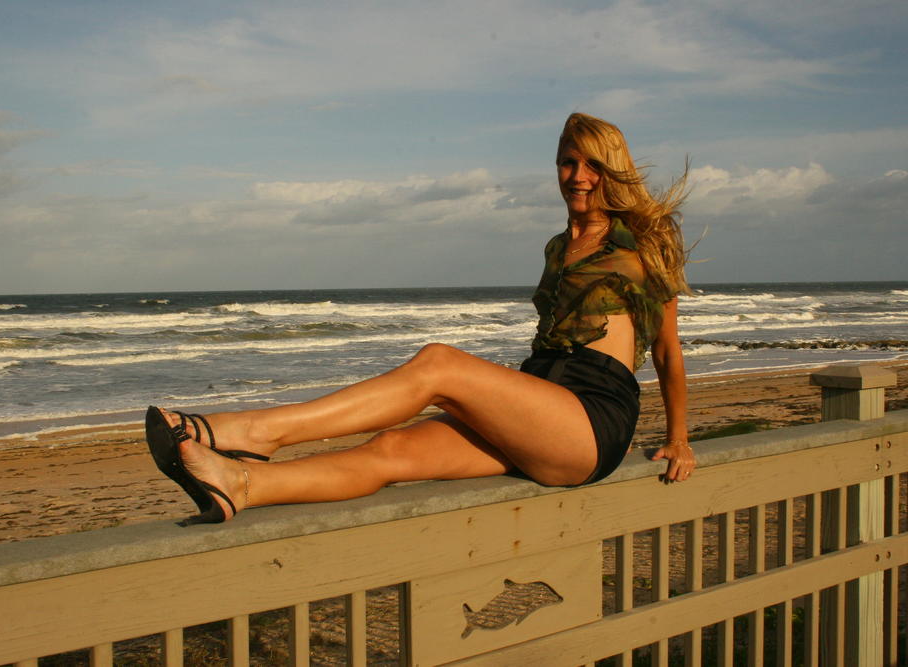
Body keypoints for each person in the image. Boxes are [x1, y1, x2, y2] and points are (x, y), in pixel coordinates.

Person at [146, 112, 696, 525]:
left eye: (593, 165)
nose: (579, 176)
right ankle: (243, 482)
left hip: (592, 420)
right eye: (568, 162)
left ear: (612, 171)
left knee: (439, 366)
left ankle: (252, 430)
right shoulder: (559, 247)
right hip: (541, 402)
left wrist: (679, 438)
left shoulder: (644, 242)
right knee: (391, 451)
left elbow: (667, 349)